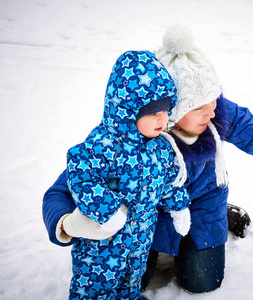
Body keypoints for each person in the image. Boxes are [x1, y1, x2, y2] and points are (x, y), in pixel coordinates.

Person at [43, 25, 253, 295]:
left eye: (215, 98)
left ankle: (225, 214)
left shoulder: (215, 113)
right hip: (147, 216)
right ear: (170, 111)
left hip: (203, 202)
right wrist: (66, 224)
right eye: (200, 106)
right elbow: (61, 191)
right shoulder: (131, 136)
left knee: (202, 281)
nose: (214, 110)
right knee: (137, 279)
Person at [61, 50, 192, 300]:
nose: (162, 119)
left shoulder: (161, 147)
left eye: (165, 110)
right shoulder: (104, 145)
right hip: (102, 244)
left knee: (133, 278)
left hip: (140, 236)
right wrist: (107, 211)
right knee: (97, 287)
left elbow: (168, 182)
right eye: (153, 113)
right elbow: (81, 175)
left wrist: (179, 206)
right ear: (127, 111)